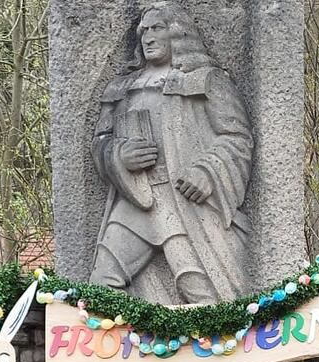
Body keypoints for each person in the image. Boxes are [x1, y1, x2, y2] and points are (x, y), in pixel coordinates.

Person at [89, 1, 253, 304]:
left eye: (157, 28)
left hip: (183, 204)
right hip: (137, 200)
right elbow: (100, 142)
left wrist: (206, 172)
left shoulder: (206, 80)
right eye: (144, 31)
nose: (148, 37)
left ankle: (205, 349)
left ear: (176, 33)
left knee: (203, 293)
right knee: (101, 286)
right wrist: (120, 156)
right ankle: (128, 346)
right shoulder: (122, 88)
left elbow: (237, 137)